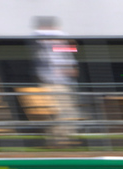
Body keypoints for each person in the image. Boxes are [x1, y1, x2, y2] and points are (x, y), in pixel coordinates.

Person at [32, 16, 80, 147]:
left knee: (68, 112)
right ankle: (58, 140)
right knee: (60, 112)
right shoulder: (43, 37)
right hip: (53, 82)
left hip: (64, 82)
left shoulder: (59, 41)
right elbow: (55, 54)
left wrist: (70, 67)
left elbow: (72, 49)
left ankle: (62, 139)